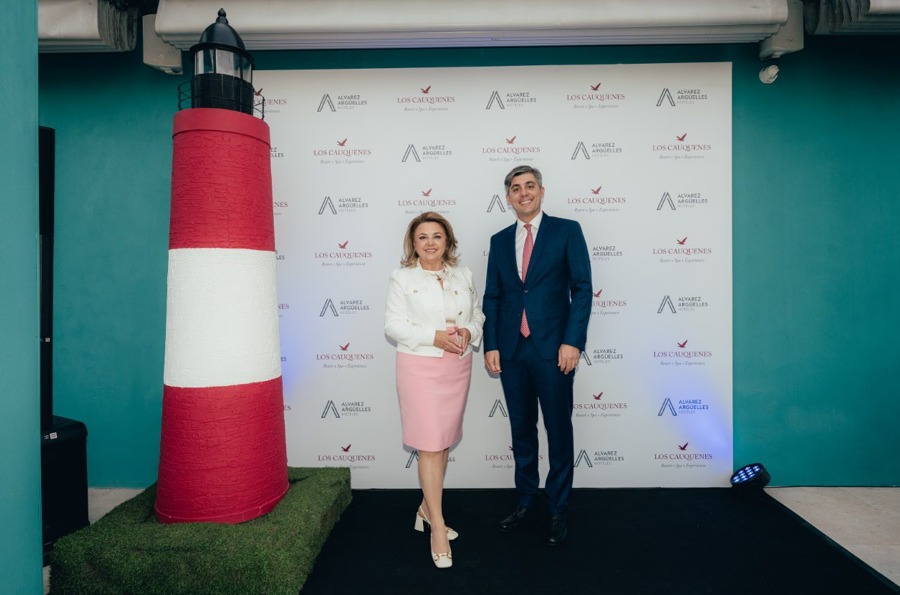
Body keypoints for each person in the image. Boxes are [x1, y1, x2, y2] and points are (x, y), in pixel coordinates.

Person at [482, 165, 592, 546]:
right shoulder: (499, 241)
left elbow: (582, 288)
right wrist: (492, 344)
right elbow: (493, 296)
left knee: (558, 430)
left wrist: (572, 341)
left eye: (530, 186)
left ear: (542, 191)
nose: (524, 193)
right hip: (512, 351)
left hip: (554, 350)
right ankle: (526, 500)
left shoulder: (567, 231)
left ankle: (558, 507)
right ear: (508, 197)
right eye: (516, 188)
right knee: (522, 430)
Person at [384, 211, 485, 569]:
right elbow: (393, 325)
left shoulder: (464, 274)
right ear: (413, 244)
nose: (430, 243)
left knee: (442, 442)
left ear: (448, 241)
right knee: (429, 444)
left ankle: (427, 509)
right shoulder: (402, 277)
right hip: (420, 367)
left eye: (437, 236)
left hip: (456, 365)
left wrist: (469, 332)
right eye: (423, 237)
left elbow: (477, 315)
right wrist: (434, 337)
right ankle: (438, 528)